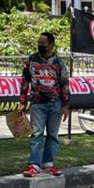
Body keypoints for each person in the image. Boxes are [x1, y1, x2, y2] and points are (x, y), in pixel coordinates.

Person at [20, 30, 71, 177]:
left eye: (43, 43)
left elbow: (65, 84)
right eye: (39, 43)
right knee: (36, 134)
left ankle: (48, 163)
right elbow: (25, 81)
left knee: (53, 135)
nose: (40, 45)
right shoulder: (32, 60)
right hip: (37, 103)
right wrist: (22, 101)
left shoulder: (59, 62)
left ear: (51, 44)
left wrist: (66, 105)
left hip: (55, 103)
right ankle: (34, 165)